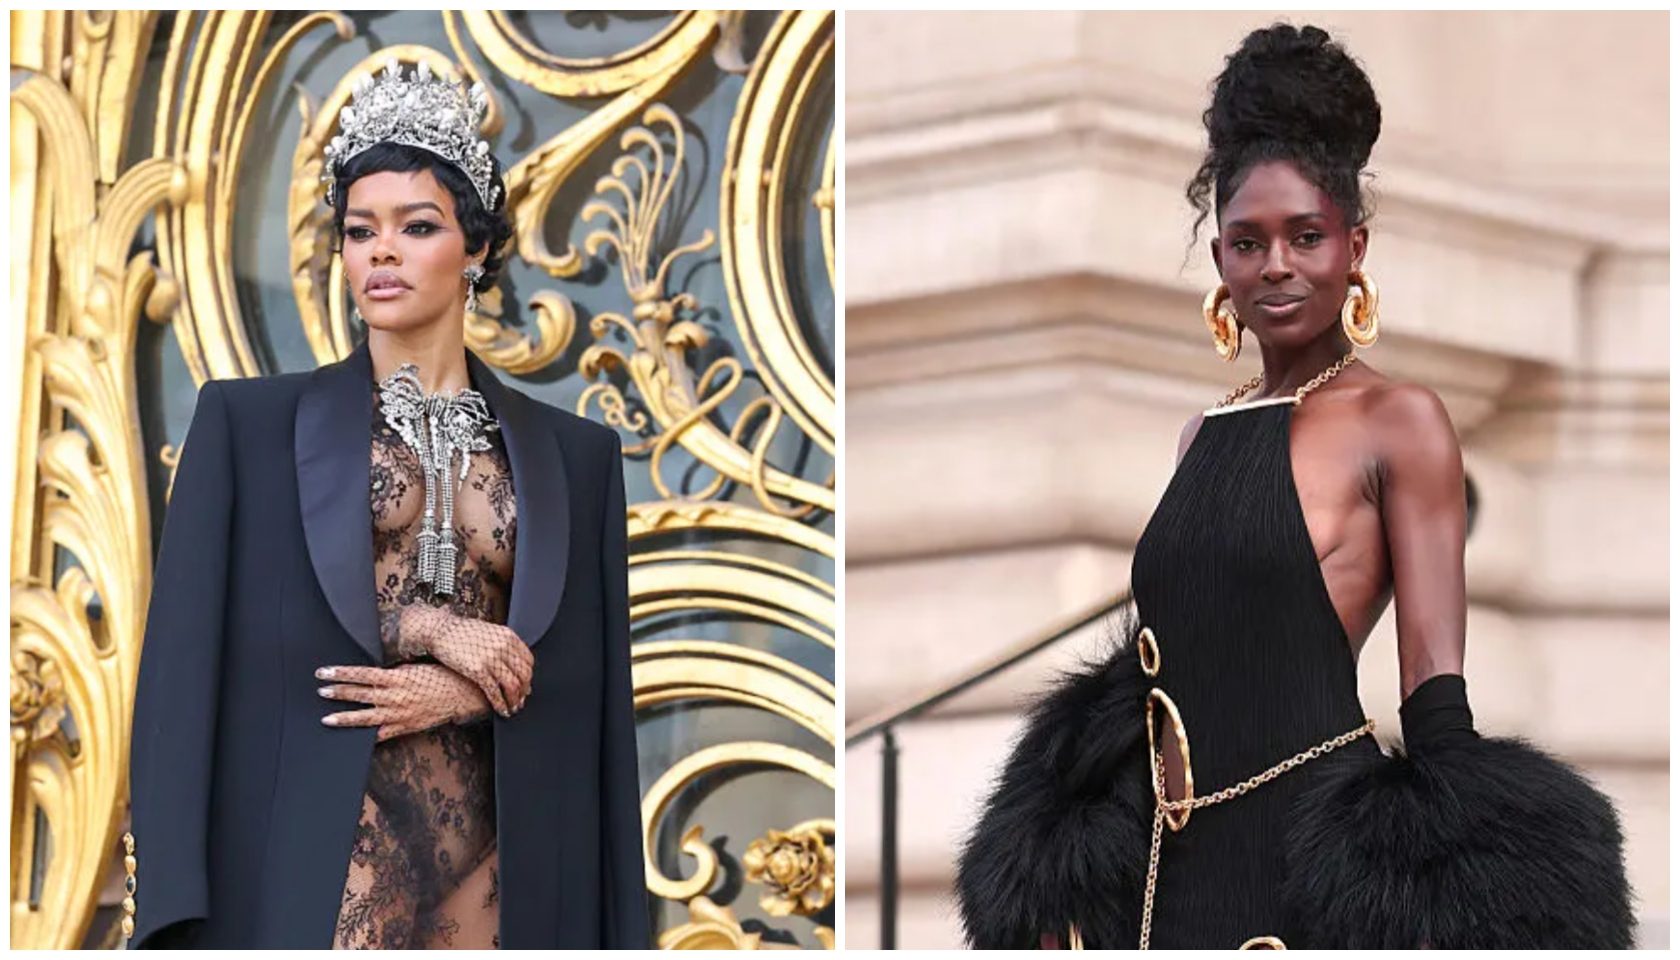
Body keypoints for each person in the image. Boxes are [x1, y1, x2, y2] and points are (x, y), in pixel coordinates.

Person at [955, 24, 1631, 950]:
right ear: (1220, 263)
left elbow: (1434, 692)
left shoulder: (1402, 420)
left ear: (1354, 247)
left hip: (1309, 861)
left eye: (1305, 236)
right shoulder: (1202, 433)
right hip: (1161, 871)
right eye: (1247, 242)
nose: (1276, 264)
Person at [125, 60, 649, 949]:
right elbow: (185, 667)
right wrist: (434, 629)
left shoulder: (580, 458)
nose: (382, 252)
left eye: (417, 226)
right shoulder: (246, 427)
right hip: (314, 840)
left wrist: (459, 695)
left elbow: (591, 685)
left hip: (503, 836)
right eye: (361, 230)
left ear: (476, 249)